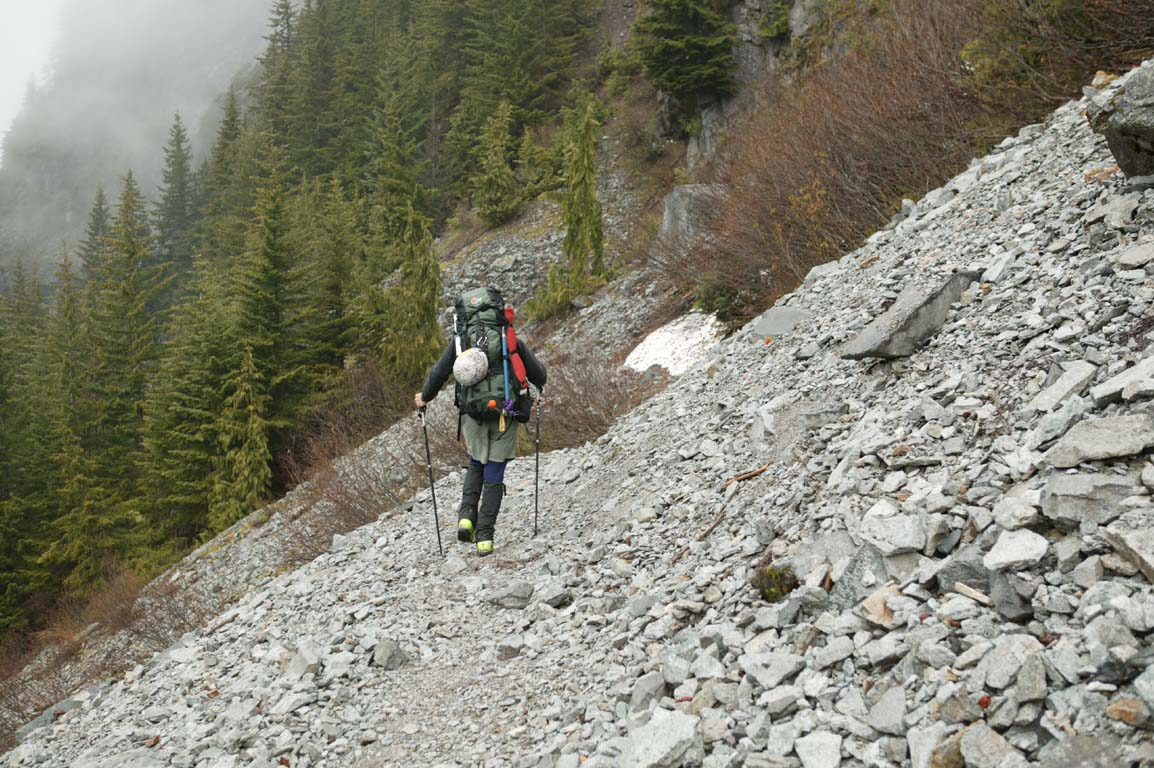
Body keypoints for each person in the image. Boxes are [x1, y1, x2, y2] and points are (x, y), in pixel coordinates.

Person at [414, 290, 547, 557]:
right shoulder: (507, 337)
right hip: (505, 412)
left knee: (477, 460)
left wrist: (424, 397)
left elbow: (439, 372)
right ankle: (485, 537)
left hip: (472, 413)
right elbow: (539, 375)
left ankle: (466, 518)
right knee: (494, 471)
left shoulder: (461, 340)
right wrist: (537, 387)